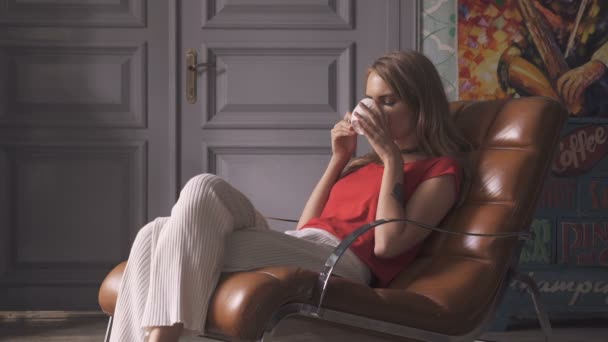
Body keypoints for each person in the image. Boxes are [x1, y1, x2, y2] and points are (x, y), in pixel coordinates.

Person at [109, 50, 471, 342]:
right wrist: (339, 158)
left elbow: (388, 245)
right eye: (370, 100)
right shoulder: (362, 163)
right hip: (303, 243)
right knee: (185, 204)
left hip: (344, 263)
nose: (374, 111)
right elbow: (306, 226)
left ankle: (163, 337)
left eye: (388, 101)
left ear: (422, 107)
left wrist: (392, 157)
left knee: (159, 237)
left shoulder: (440, 171)